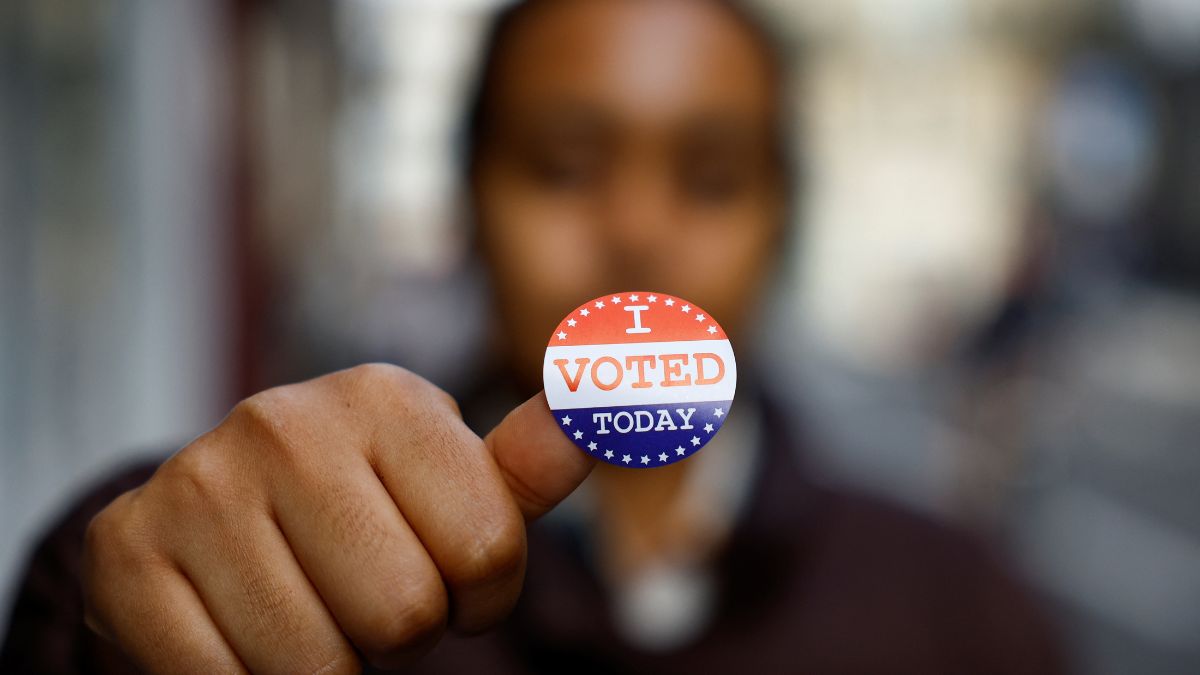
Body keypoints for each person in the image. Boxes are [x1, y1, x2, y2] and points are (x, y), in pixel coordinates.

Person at [1, 0, 1065, 672]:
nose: (637, 231)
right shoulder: (304, 567)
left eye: (712, 176)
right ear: (468, 197)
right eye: (562, 164)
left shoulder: (957, 611)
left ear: (781, 220)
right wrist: (116, 624)